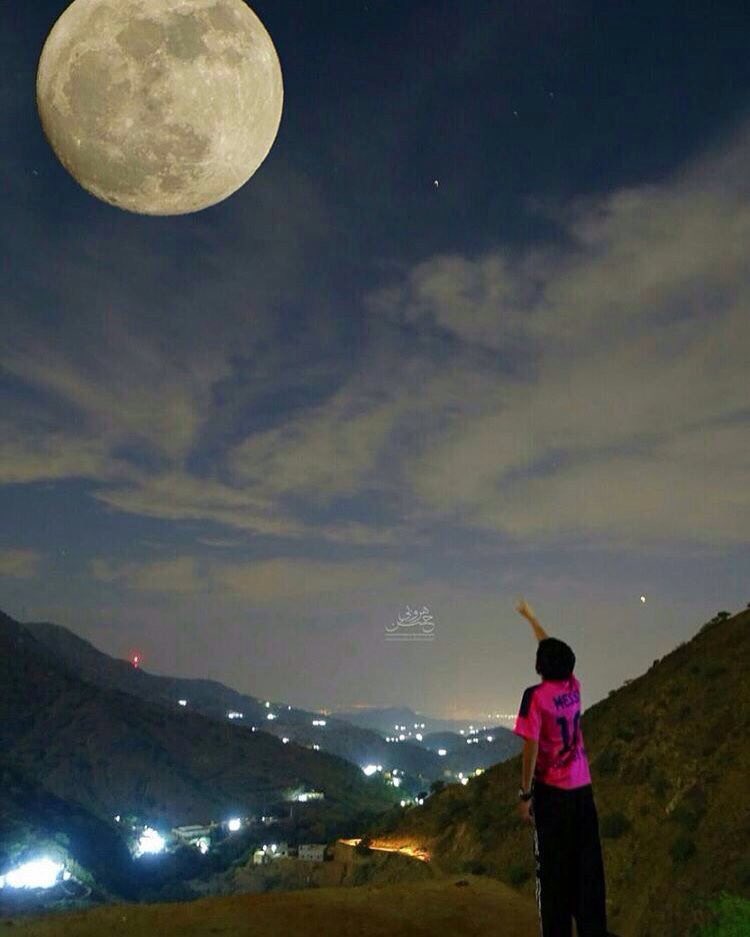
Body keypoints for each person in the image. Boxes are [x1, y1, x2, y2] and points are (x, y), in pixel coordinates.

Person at [513, 598, 612, 937]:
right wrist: (532, 620)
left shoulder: (536, 696)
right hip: (582, 792)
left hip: (552, 795)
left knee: (553, 874)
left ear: (540, 665)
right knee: (588, 869)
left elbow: (531, 747)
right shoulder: (573, 686)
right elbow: (551, 648)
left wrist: (525, 794)